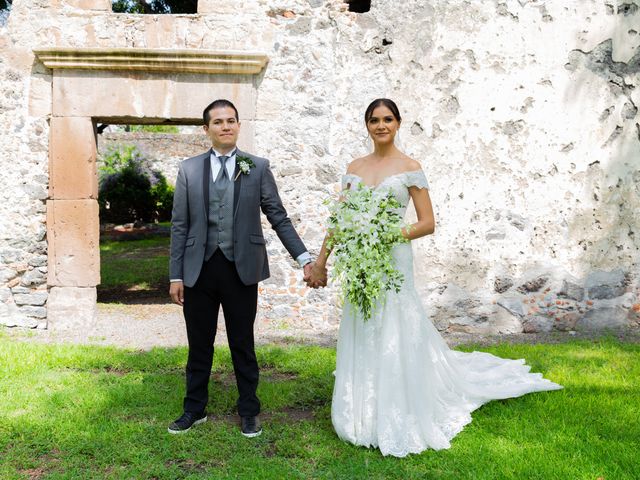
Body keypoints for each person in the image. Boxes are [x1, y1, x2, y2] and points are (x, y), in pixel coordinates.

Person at [306, 98, 562, 457]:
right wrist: (321, 261)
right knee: (363, 319)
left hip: (393, 257)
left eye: (388, 119)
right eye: (374, 120)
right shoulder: (354, 168)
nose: (381, 126)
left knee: (395, 322)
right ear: (366, 125)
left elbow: (427, 222)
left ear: (398, 123)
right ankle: (361, 406)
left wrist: (388, 233)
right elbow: (339, 219)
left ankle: (399, 402)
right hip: (361, 259)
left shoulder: (410, 167)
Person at [168, 99, 314, 436]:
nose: (225, 126)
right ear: (207, 129)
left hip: (241, 269)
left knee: (242, 343)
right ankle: (194, 409)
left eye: (231, 120)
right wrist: (176, 274)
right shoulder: (189, 169)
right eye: (217, 122)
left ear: (238, 125)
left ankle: (248, 409)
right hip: (198, 270)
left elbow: (277, 215)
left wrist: (304, 257)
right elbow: (179, 225)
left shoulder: (257, 167)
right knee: (199, 343)